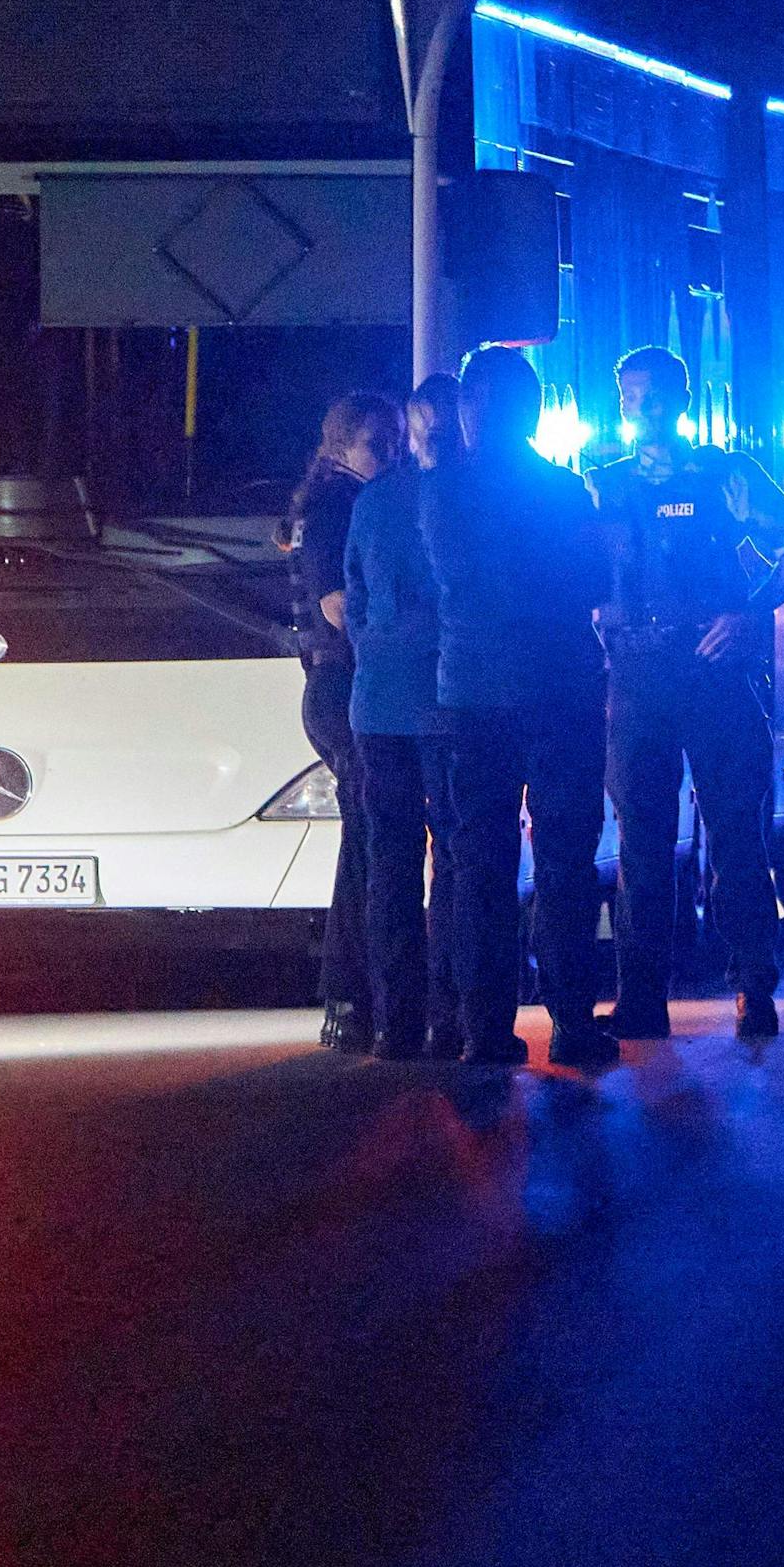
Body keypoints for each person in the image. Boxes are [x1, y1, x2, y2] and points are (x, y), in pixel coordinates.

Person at [588, 346, 784, 1039]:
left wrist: (750, 612)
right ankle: (641, 998)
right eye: (631, 396)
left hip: (712, 672)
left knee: (736, 835)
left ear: (682, 401)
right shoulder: (602, 484)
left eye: (655, 395)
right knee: (641, 844)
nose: (642, 407)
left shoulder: (726, 475)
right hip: (636, 677)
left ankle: (753, 986)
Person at [420, 347, 615, 1067]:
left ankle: (485, 1030)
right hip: (560, 690)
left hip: (470, 693)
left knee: (479, 866)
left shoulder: (439, 492)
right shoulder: (562, 492)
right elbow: (596, 579)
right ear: (533, 411)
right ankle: (570, 1021)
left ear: (470, 408)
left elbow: (447, 580)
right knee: (566, 860)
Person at [282, 393, 404, 1051]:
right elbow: (336, 606)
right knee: (368, 846)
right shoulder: (342, 505)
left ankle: (354, 995)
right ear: (340, 448)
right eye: (377, 445)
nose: (391, 456)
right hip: (347, 686)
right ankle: (351, 993)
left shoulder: (323, 502)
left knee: (367, 840)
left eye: (395, 443)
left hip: (334, 686)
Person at [343, 374, 460, 1060]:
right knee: (453, 857)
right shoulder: (463, 499)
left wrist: (376, 651)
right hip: (447, 703)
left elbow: (355, 603)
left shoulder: (373, 500)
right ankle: (451, 1016)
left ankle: (396, 1022)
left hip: (378, 703)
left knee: (389, 863)